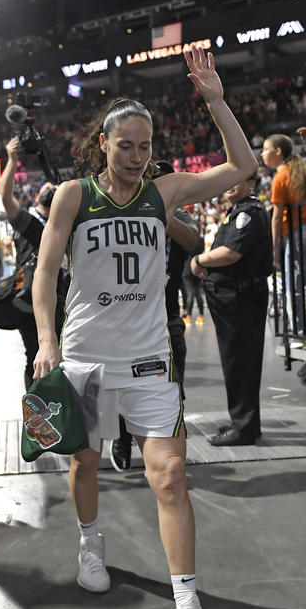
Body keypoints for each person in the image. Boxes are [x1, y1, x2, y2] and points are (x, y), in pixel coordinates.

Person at [31, 45, 257, 609]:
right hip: (84, 356)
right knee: (85, 463)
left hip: (151, 357)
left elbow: (242, 166)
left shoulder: (163, 191)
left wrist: (215, 100)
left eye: (145, 145)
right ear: (102, 145)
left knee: (172, 475)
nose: (136, 156)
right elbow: (46, 271)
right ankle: (90, 540)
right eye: (125, 145)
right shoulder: (73, 196)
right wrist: (47, 339)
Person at [111, 160, 202, 471]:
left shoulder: (179, 212)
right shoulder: (128, 209)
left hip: (167, 313)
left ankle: (173, 447)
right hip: (129, 316)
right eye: (153, 180)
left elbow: (193, 240)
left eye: (164, 181)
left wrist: (161, 214)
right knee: (125, 383)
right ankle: (122, 438)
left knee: (174, 383)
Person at [192, 173, 272, 446]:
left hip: (242, 298)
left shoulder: (248, 212)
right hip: (234, 298)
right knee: (236, 361)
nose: (229, 185)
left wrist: (199, 260)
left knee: (241, 361)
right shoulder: (238, 211)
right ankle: (242, 420)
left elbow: (230, 253)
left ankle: (245, 426)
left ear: (251, 184)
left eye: (237, 180)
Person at [0, 137, 60, 389]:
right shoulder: (29, 222)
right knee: (35, 355)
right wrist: (12, 160)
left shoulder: (66, 223)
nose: (50, 189)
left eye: (54, 188)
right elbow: (6, 197)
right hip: (29, 296)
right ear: (37, 199)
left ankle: (60, 413)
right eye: (45, 188)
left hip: (61, 297)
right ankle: (36, 413)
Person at [264, 133, 306, 334]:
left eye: (265, 149)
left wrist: (274, 248)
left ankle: (300, 333)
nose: (262, 154)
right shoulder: (301, 171)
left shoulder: (280, 177)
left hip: (296, 234)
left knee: (293, 287)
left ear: (278, 152)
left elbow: (277, 217)